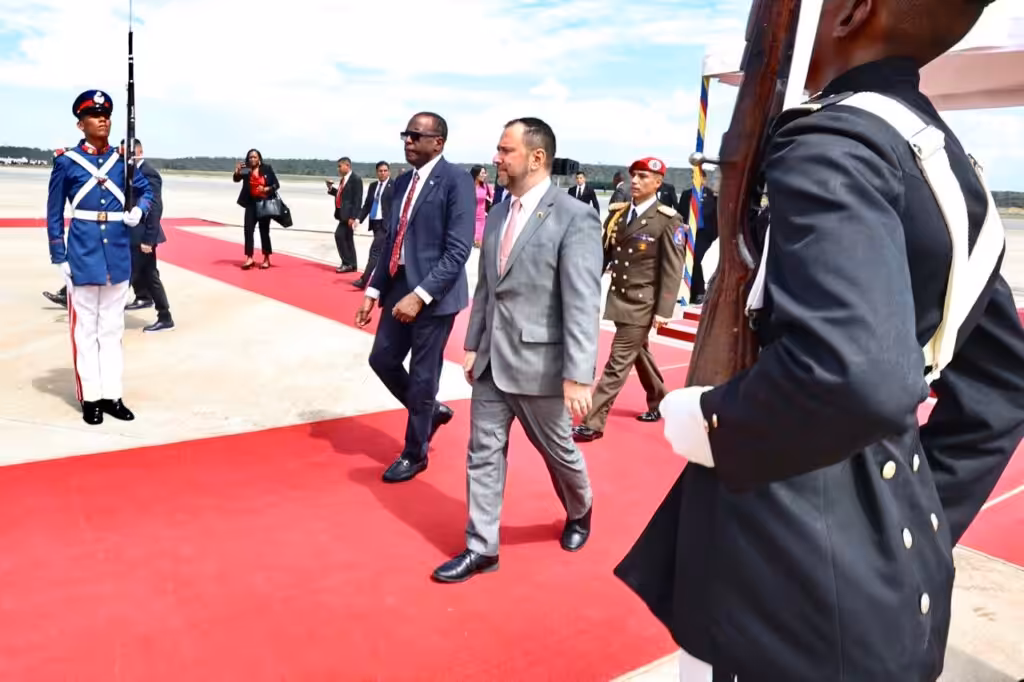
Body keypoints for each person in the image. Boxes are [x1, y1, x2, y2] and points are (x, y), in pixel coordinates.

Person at [613, 1, 1024, 680]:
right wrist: (908, 519)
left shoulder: (833, 141)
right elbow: (1002, 386)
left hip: (788, 580)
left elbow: (853, 375)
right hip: (889, 584)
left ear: (853, 10)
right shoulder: (943, 158)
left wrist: (716, 422)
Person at [431, 117, 602, 583]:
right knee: (482, 452)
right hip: (491, 362)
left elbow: (583, 300)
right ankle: (482, 546)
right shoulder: (500, 212)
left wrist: (578, 375)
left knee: (557, 450)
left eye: (505, 150)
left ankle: (580, 507)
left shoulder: (574, 215)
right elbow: (488, 286)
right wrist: (472, 344)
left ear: (536, 157)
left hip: (542, 365)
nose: (496, 158)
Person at [355, 112, 475, 483]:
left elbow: (458, 250)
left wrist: (420, 296)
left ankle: (414, 452)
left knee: (424, 376)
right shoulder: (402, 181)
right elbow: (391, 240)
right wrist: (373, 290)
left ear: (438, 142)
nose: (408, 141)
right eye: (405, 135)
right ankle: (429, 413)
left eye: (416, 136)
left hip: (435, 295)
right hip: (397, 285)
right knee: (382, 359)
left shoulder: (456, 181)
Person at [47, 89, 153, 425]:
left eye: (106, 113)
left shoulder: (121, 162)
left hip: (117, 256)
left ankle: (112, 394)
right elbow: (53, 213)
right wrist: (58, 255)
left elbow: (146, 190)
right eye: (94, 115)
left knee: (112, 329)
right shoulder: (66, 163)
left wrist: (139, 208)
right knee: (85, 332)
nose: (103, 119)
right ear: (81, 124)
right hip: (83, 255)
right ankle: (90, 397)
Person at [572, 157, 684, 443]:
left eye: (644, 177)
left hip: (642, 303)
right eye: (634, 175)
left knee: (618, 360)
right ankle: (660, 401)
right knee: (639, 354)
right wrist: (584, 283)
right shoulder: (618, 215)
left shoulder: (668, 220)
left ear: (658, 183)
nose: (635, 181)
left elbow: (673, 269)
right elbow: (604, 254)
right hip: (619, 298)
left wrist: (663, 310)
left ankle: (593, 421)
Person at [121, 138, 174, 332]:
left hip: (143, 234)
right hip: (132, 233)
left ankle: (165, 316)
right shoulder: (129, 172)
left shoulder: (149, 173)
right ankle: (163, 314)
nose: (125, 158)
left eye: (128, 154)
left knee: (132, 274)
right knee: (149, 275)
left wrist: (149, 239)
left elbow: (155, 207)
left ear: (139, 153)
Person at [232, 149, 278, 269]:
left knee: (264, 232)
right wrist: (237, 172)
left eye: (255, 157)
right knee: (248, 230)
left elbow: (276, 185)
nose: (252, 159)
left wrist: (265, 189)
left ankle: (266, 258)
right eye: (250, 157)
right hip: (250, 204)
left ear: (259, 159)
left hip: (264, 203)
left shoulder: (267, 168)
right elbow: (236, 179)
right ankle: (249, 258)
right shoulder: (246, 169)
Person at [353, 161, 393, 289]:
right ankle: (385, 281)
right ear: (377, 172)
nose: (383, 173)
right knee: (383, 254)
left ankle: (364, 280)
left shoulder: (394, 186)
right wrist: (359, 219)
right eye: (380, 171)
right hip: (375, 223)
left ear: (389, 172)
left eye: (385, 170)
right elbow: (367, 205)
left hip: (385, 225)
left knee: (374, 252)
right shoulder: (373, 186)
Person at [327, 156, 363, 273]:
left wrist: (353, 217)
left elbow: (357, 200)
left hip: (348, 216)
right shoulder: (344, 179)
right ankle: (352, 265)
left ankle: (346, 263)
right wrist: (331, 189)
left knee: (339, 236)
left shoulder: (355, 179)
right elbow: (342, 195)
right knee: (348, 239)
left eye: (340, 166)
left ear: (347, 166)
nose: (338, 169)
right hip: (342, 215)